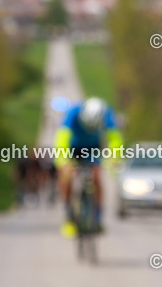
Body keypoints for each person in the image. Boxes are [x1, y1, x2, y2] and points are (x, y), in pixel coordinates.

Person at [53, 97, 123, 236]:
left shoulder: (106, 113)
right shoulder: (73, 112)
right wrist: (63, 162)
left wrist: (115, 159)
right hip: (73, 148)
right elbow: (62, 138)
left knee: (96, 177)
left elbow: (115, 139)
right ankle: (69, 216)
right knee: (66, 178)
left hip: (93, 148)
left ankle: (97, 218)